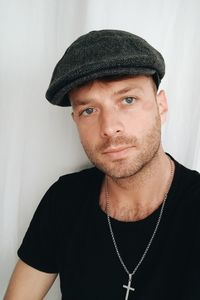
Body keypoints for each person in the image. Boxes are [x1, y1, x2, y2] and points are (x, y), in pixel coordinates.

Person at [4, 30, 200, 300]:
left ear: (161, 105)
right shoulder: (64, 200)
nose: (109, 128)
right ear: (75, 120)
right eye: (89, 110)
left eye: (127, 100)